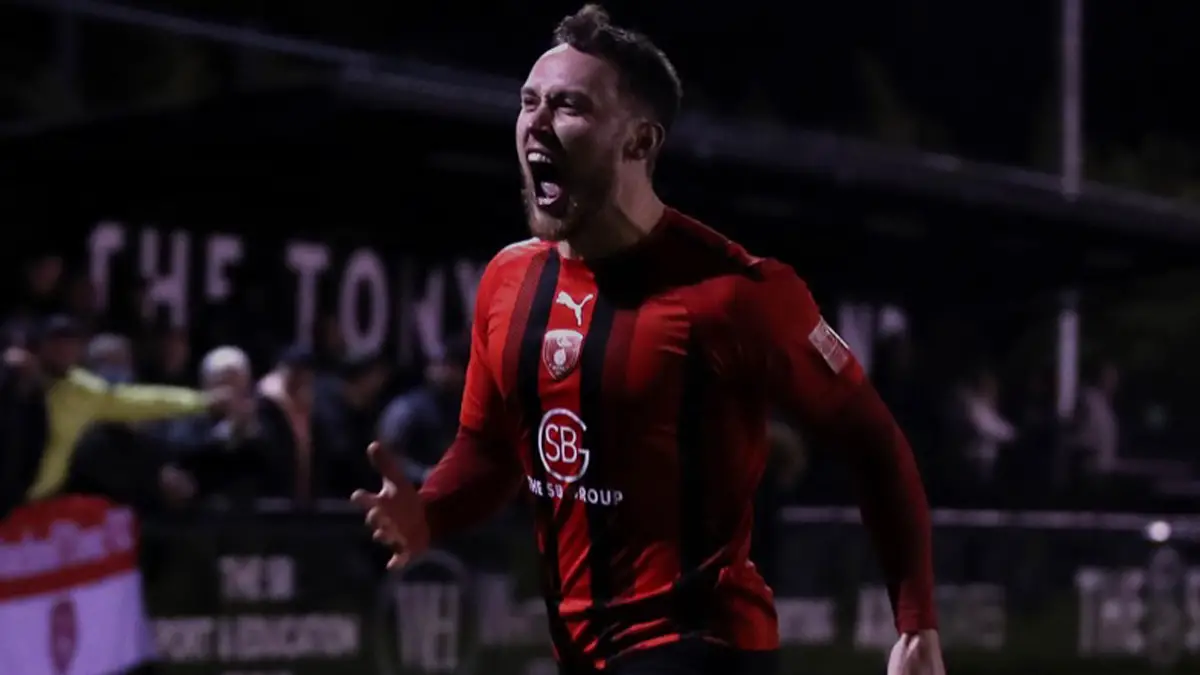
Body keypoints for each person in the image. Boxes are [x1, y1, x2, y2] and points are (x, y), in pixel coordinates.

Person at [352, 6, 944, 675]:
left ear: (639, 142)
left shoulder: (737, 295)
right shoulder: (509, 282)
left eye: (568, 105)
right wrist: (429, 512)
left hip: (704, 646)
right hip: (584, 653)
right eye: (528, 101)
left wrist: (916, 622)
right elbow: (490, 452)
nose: (536, 122)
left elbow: (872, 441)